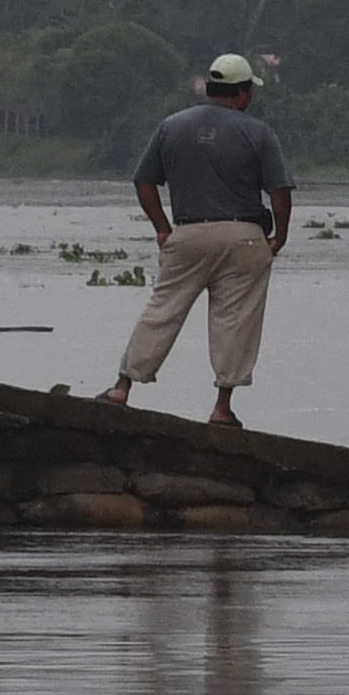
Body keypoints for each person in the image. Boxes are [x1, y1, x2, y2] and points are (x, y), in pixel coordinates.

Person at [104, 52, 289, 424]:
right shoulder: (259, 132)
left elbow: (144, 182)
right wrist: (278, 237)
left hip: (187, 233)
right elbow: (279, 192)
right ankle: (222, 408)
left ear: (210, 88)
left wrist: (162, 228)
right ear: (241, 92)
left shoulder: (171, 126)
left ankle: (121, 388)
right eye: (249, 91)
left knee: (162, 310)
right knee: (235, 321)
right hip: (244, 237)